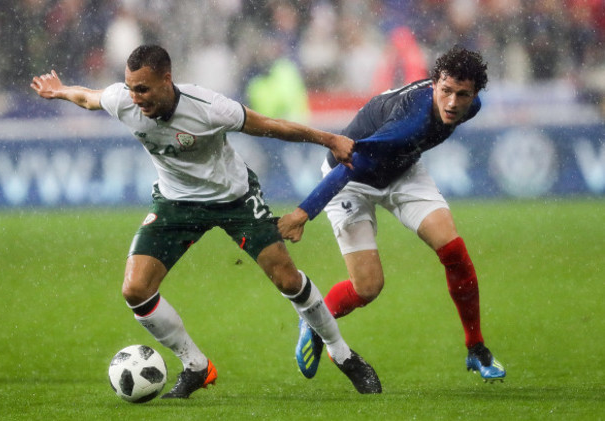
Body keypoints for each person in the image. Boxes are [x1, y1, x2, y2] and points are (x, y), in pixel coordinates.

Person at [30, 44, 382, 398]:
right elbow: (89, 97)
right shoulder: (122, 100)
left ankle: (343, 355)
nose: (135, 97)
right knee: (135, 291)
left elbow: (271, 126)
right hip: (176, 202)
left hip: (234, 199)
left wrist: (330, 138)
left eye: (143, 89)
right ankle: (196, 366)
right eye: (131, 87)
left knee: (288, 280)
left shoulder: (209, 107)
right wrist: (59, 91)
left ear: (167, 79)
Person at [278, 46, 506, 383]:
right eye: (446, 91)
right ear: (434, 84)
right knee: (368, 287)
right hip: (351, 178)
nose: (453, 103)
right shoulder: (409, 122)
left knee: (454, 251)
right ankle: (315, 318)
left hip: (402, 170)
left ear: (474, 95)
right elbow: (350, 164)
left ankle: (476, 349)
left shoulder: (469, 108)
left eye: (463, 94)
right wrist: (303, 212)